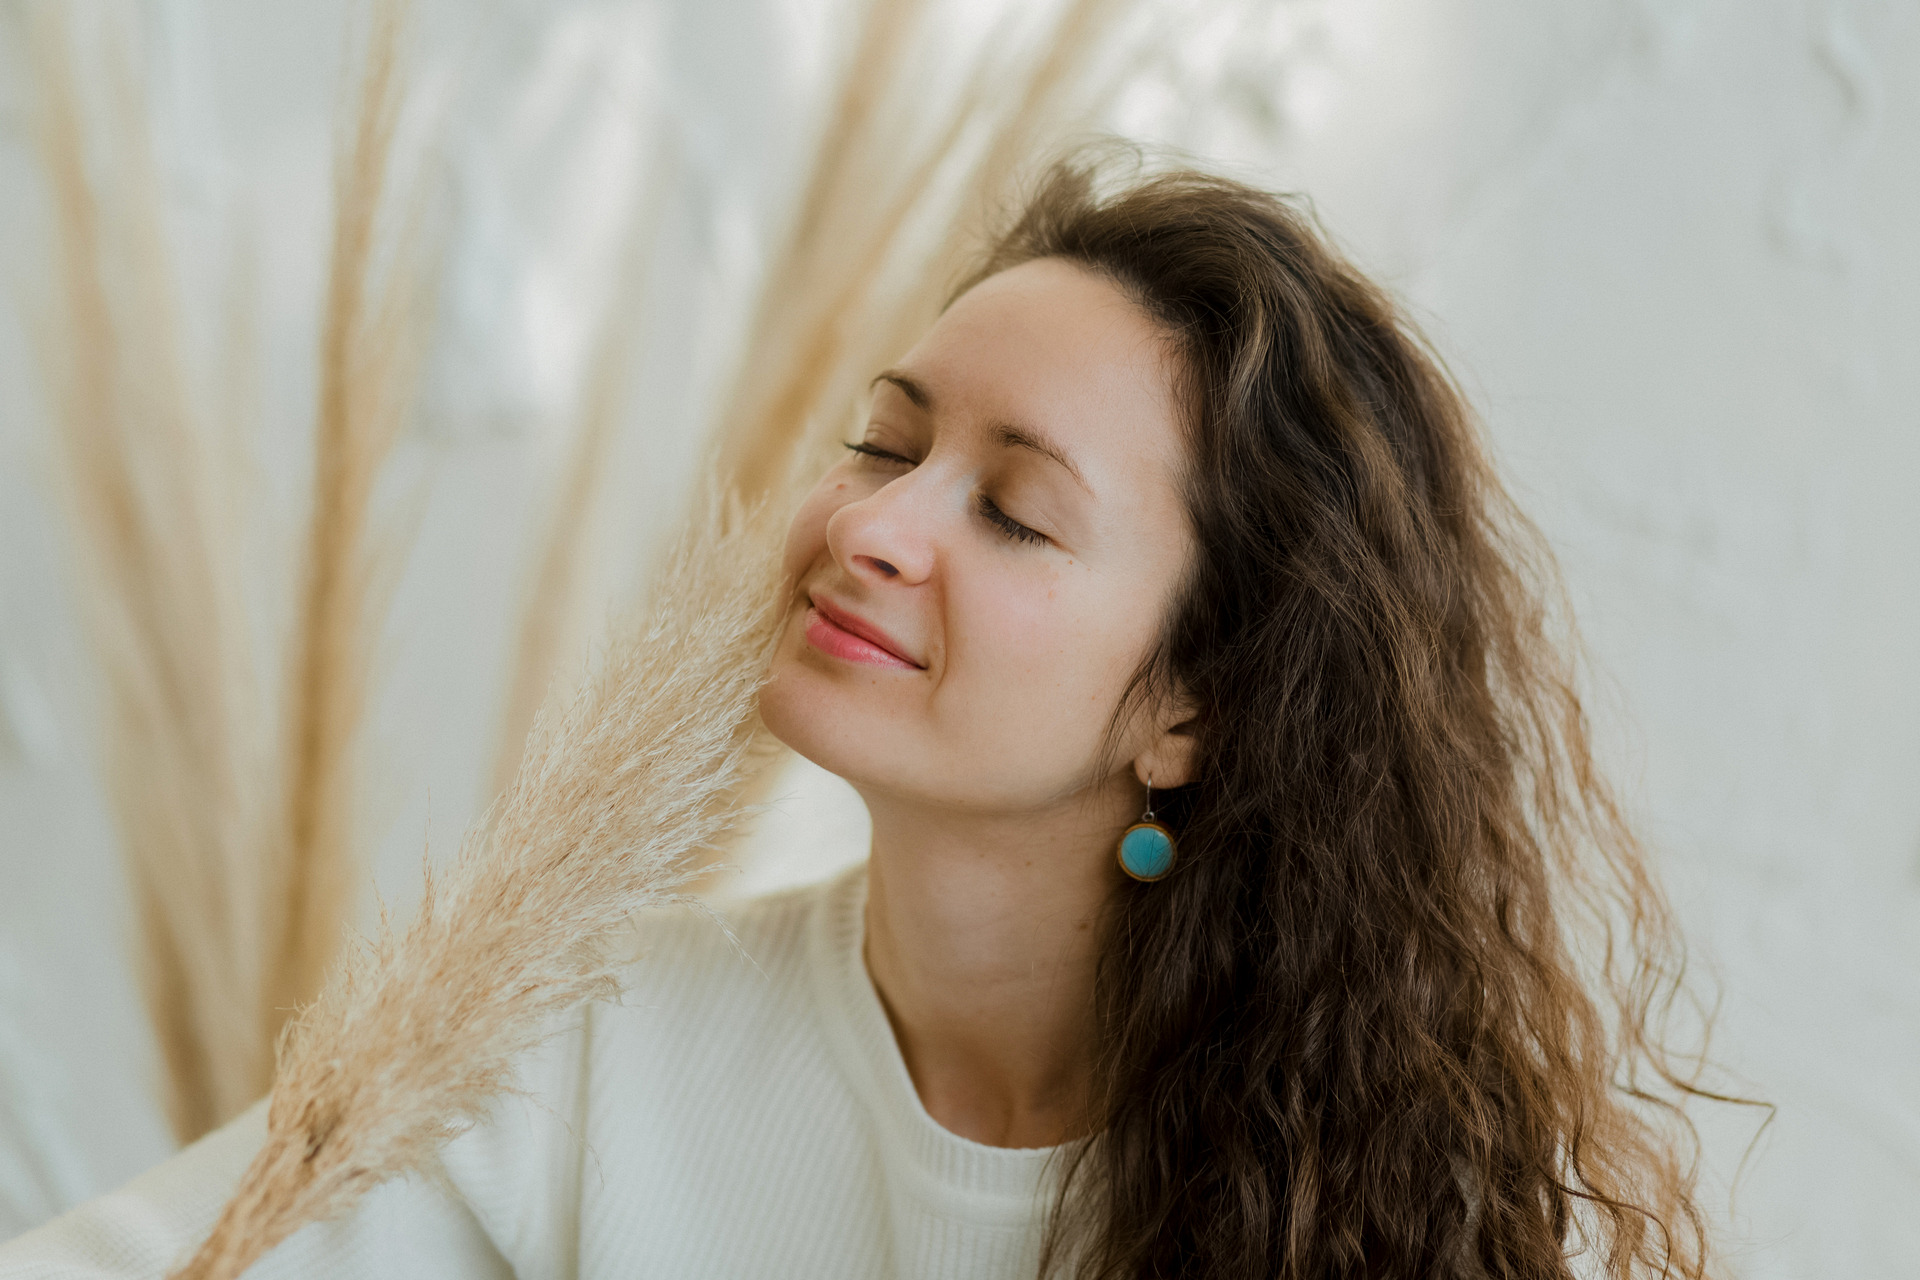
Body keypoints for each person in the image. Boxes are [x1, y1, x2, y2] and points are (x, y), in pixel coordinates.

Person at [0, 155, 1720, 1279]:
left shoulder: (1360, 1202)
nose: (871, 527)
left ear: (1194, 707)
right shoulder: (589, 1041)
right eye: (890, 446)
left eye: (1016, 511)